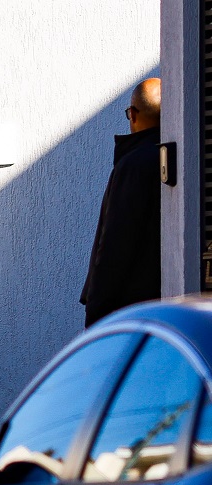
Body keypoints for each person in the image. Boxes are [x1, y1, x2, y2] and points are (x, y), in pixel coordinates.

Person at [81, 78, 162, 327]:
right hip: (160, 307)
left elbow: (116, 243)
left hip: (128, 311)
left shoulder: (134, 165)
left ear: (133, 115)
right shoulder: (177, 156)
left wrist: (96, 312)